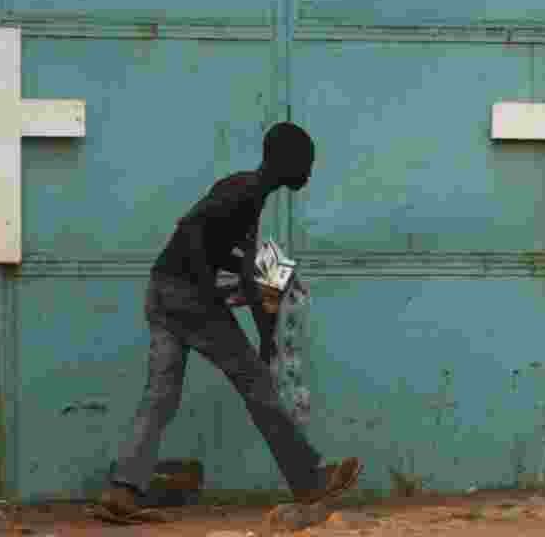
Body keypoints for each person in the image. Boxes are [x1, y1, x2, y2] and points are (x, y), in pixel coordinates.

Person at [98, 122, 361, 516]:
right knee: (256, 383)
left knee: (161, 396)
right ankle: (309, 480)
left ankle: (123, 490)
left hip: (162, 289)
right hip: (187, 296)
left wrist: (266, 333)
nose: (310, 171)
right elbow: (189, 230)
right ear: (287, 162)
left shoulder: (244, 192)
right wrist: (207, 289)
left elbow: (246, 280)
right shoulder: (246, 193)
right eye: (307, 162)